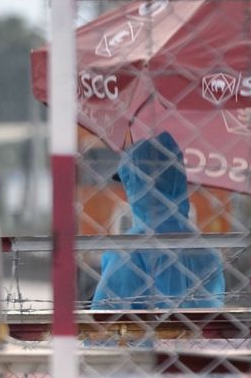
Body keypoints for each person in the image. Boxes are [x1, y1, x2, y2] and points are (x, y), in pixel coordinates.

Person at [91, 131, 224, 311]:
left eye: (128, 183)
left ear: (136, 185)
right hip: (200, 339)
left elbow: (103, 325)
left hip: (140, 339)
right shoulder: (207, 252)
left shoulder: (127, 251)